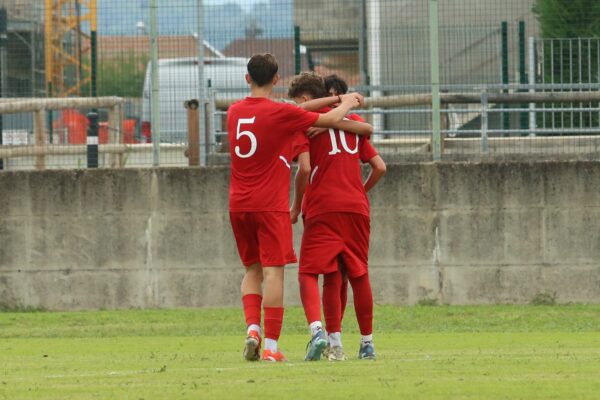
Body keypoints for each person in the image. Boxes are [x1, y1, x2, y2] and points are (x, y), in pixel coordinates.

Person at [227, 54, 372, 362]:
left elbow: (296, 109)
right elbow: (328, 123)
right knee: (274, 271)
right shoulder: (281, 113)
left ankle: (253, 329)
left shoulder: (234, 112)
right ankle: (271, 348)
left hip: (238, 203)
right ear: (277, 79)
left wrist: (335, 101)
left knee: (251, 269)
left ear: (247, 78)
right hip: (270, 204)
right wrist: (347, 101)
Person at [288, 72, 386, 361]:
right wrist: (360, 191)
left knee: (312, 272)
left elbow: (304, 170)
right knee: (357, 273)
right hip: (356, 207)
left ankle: (331, 341)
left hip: (322, 206)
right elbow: (380, 166)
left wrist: (296, 207)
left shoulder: (306, 125)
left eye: (295, 100)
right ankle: (367, 343)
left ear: (304, 99)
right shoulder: (354, 125)